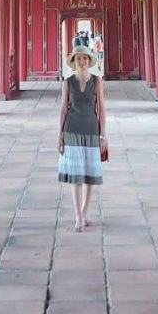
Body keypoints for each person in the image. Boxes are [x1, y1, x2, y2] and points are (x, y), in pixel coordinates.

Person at [57, 43, 106, 232]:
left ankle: (84, 213)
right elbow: (63, 109)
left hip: (92, 130)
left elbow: (101, 108)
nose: (82, 61)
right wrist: (60, 135)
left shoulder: (97, 81)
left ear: (89, 61)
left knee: (89, 175)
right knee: (76, 176)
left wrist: (103, 135)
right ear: (74, 62)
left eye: (85, 58)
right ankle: (77, 216)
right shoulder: (67, 82)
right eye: (79, 59)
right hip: (72, 130)